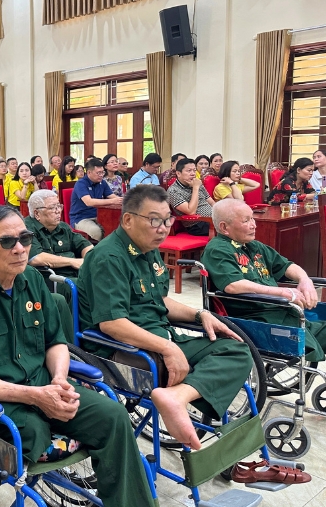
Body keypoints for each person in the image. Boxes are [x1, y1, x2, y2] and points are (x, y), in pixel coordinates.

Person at [0, 205, 161, 507]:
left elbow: (55, 342)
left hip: (45, 385)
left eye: (25, 238)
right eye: (7, 242)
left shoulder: (31, 277)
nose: (19, 248)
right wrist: (36, 397)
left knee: (113, 415)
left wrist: (58, 379)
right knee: (32, 430)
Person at [77, 185, 253, 450]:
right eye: (154, 220)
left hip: (160, 338)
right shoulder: (109, 257)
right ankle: (178, 399)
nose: (163, 228)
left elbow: (160, 301)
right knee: (198, 364)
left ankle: (177, 398)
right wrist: (168, 348)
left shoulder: (148, 249)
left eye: (167, 220)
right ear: (128, 219)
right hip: (123, 349)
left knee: (238, 350)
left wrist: (200, 313)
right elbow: (112, 323)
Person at [204, 198, 326, 399]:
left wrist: (304, 279)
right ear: (224, 227)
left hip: (286, 315)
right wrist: (283, 292)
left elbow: (286, 265)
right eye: (246, 220)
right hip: (257, 322)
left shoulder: (254, 246)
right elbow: (232, 285)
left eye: (252, 218)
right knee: (310, 339)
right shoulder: (217, 250)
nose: (254, 224)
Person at [26, 189, 92, 282]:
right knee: (88, 285)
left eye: (59, 206)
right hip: (52, 279)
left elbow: (85, 245)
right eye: (52, 208)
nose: (58, 211)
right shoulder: (26, 228)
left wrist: (89, 260)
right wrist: (72, 261)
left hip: (74, 274)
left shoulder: (62, 226)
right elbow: (36, 258)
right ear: (37, 213)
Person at [69, 158, 120, 241]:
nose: (101, 175)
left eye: (102, 172)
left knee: (115, 226)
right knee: (96, 232)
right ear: (89, 172)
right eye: (98, 173)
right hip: (81, 218)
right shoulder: (81, 183)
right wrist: (112, 201)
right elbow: (89, 202)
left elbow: (112, 196)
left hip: (99, 215)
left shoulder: (102, 182)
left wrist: (126, 200)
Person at [167, 158, 214, 236]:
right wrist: (195, 188)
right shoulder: (173, 190)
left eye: (194, 170)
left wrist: (220, 214)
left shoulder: (197, 183)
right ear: (178, 173)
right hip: (197, 225)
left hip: (213, 219)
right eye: (189, 171)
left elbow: (211, 202)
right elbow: (191, 211)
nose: (193, 174)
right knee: (234, 228)